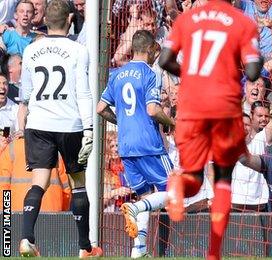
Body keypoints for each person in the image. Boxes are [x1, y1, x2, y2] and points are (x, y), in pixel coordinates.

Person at [158, 0, 263, 258]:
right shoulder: (243, 22)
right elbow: (252, 71)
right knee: (223, 177)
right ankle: (213, 254)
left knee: (193, 179)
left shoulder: (186, 19)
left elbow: (164, 59)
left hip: (191, 107)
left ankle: (177, 185)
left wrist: (189, 75)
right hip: (224, 107)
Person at [17, 0, 103, 257]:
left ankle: (26, 238)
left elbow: (25, 95)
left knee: (38, 182)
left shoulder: (32, 50)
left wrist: (23, 124)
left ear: (45, 21)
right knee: (78, 183)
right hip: (70, 124)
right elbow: (84, 92)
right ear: (69, 20)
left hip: (38, 124)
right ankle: (84, 248)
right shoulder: (78, 50)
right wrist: (89, 128)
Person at [96, 30, 176, 258]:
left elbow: (101, 109)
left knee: (145, 195)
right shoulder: (151, 74)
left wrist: (120, 120)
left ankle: (138, 249)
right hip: (148, 144)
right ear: (150, 49)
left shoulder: (116, 75)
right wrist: (173, 123)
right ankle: (134, 208)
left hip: (126, 146)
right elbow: (153, 110)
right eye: (155, 50)